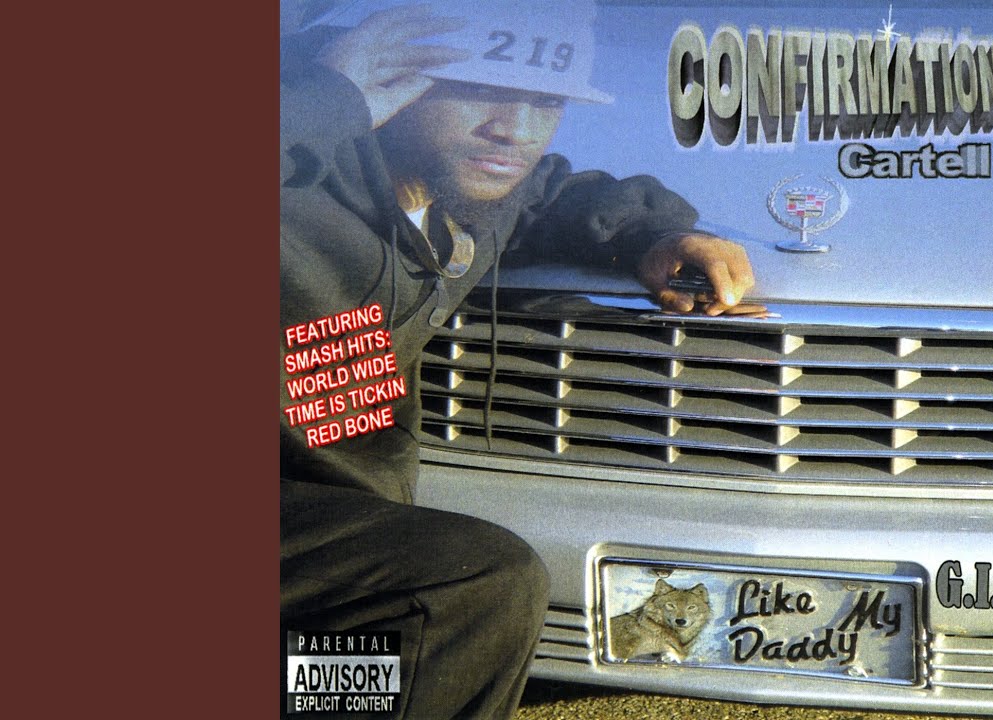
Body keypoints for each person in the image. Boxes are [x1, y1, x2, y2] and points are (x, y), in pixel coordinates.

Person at [279, 2, 759, 717]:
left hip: (338, 520)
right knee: (477, 585)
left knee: (360, 678)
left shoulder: (465, 189)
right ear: (383, 68)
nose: (515, 130)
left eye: (546, 102)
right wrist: (323, 99)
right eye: (476, 89)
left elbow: (550, 194)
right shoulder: (294, 188)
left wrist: (654, 236)